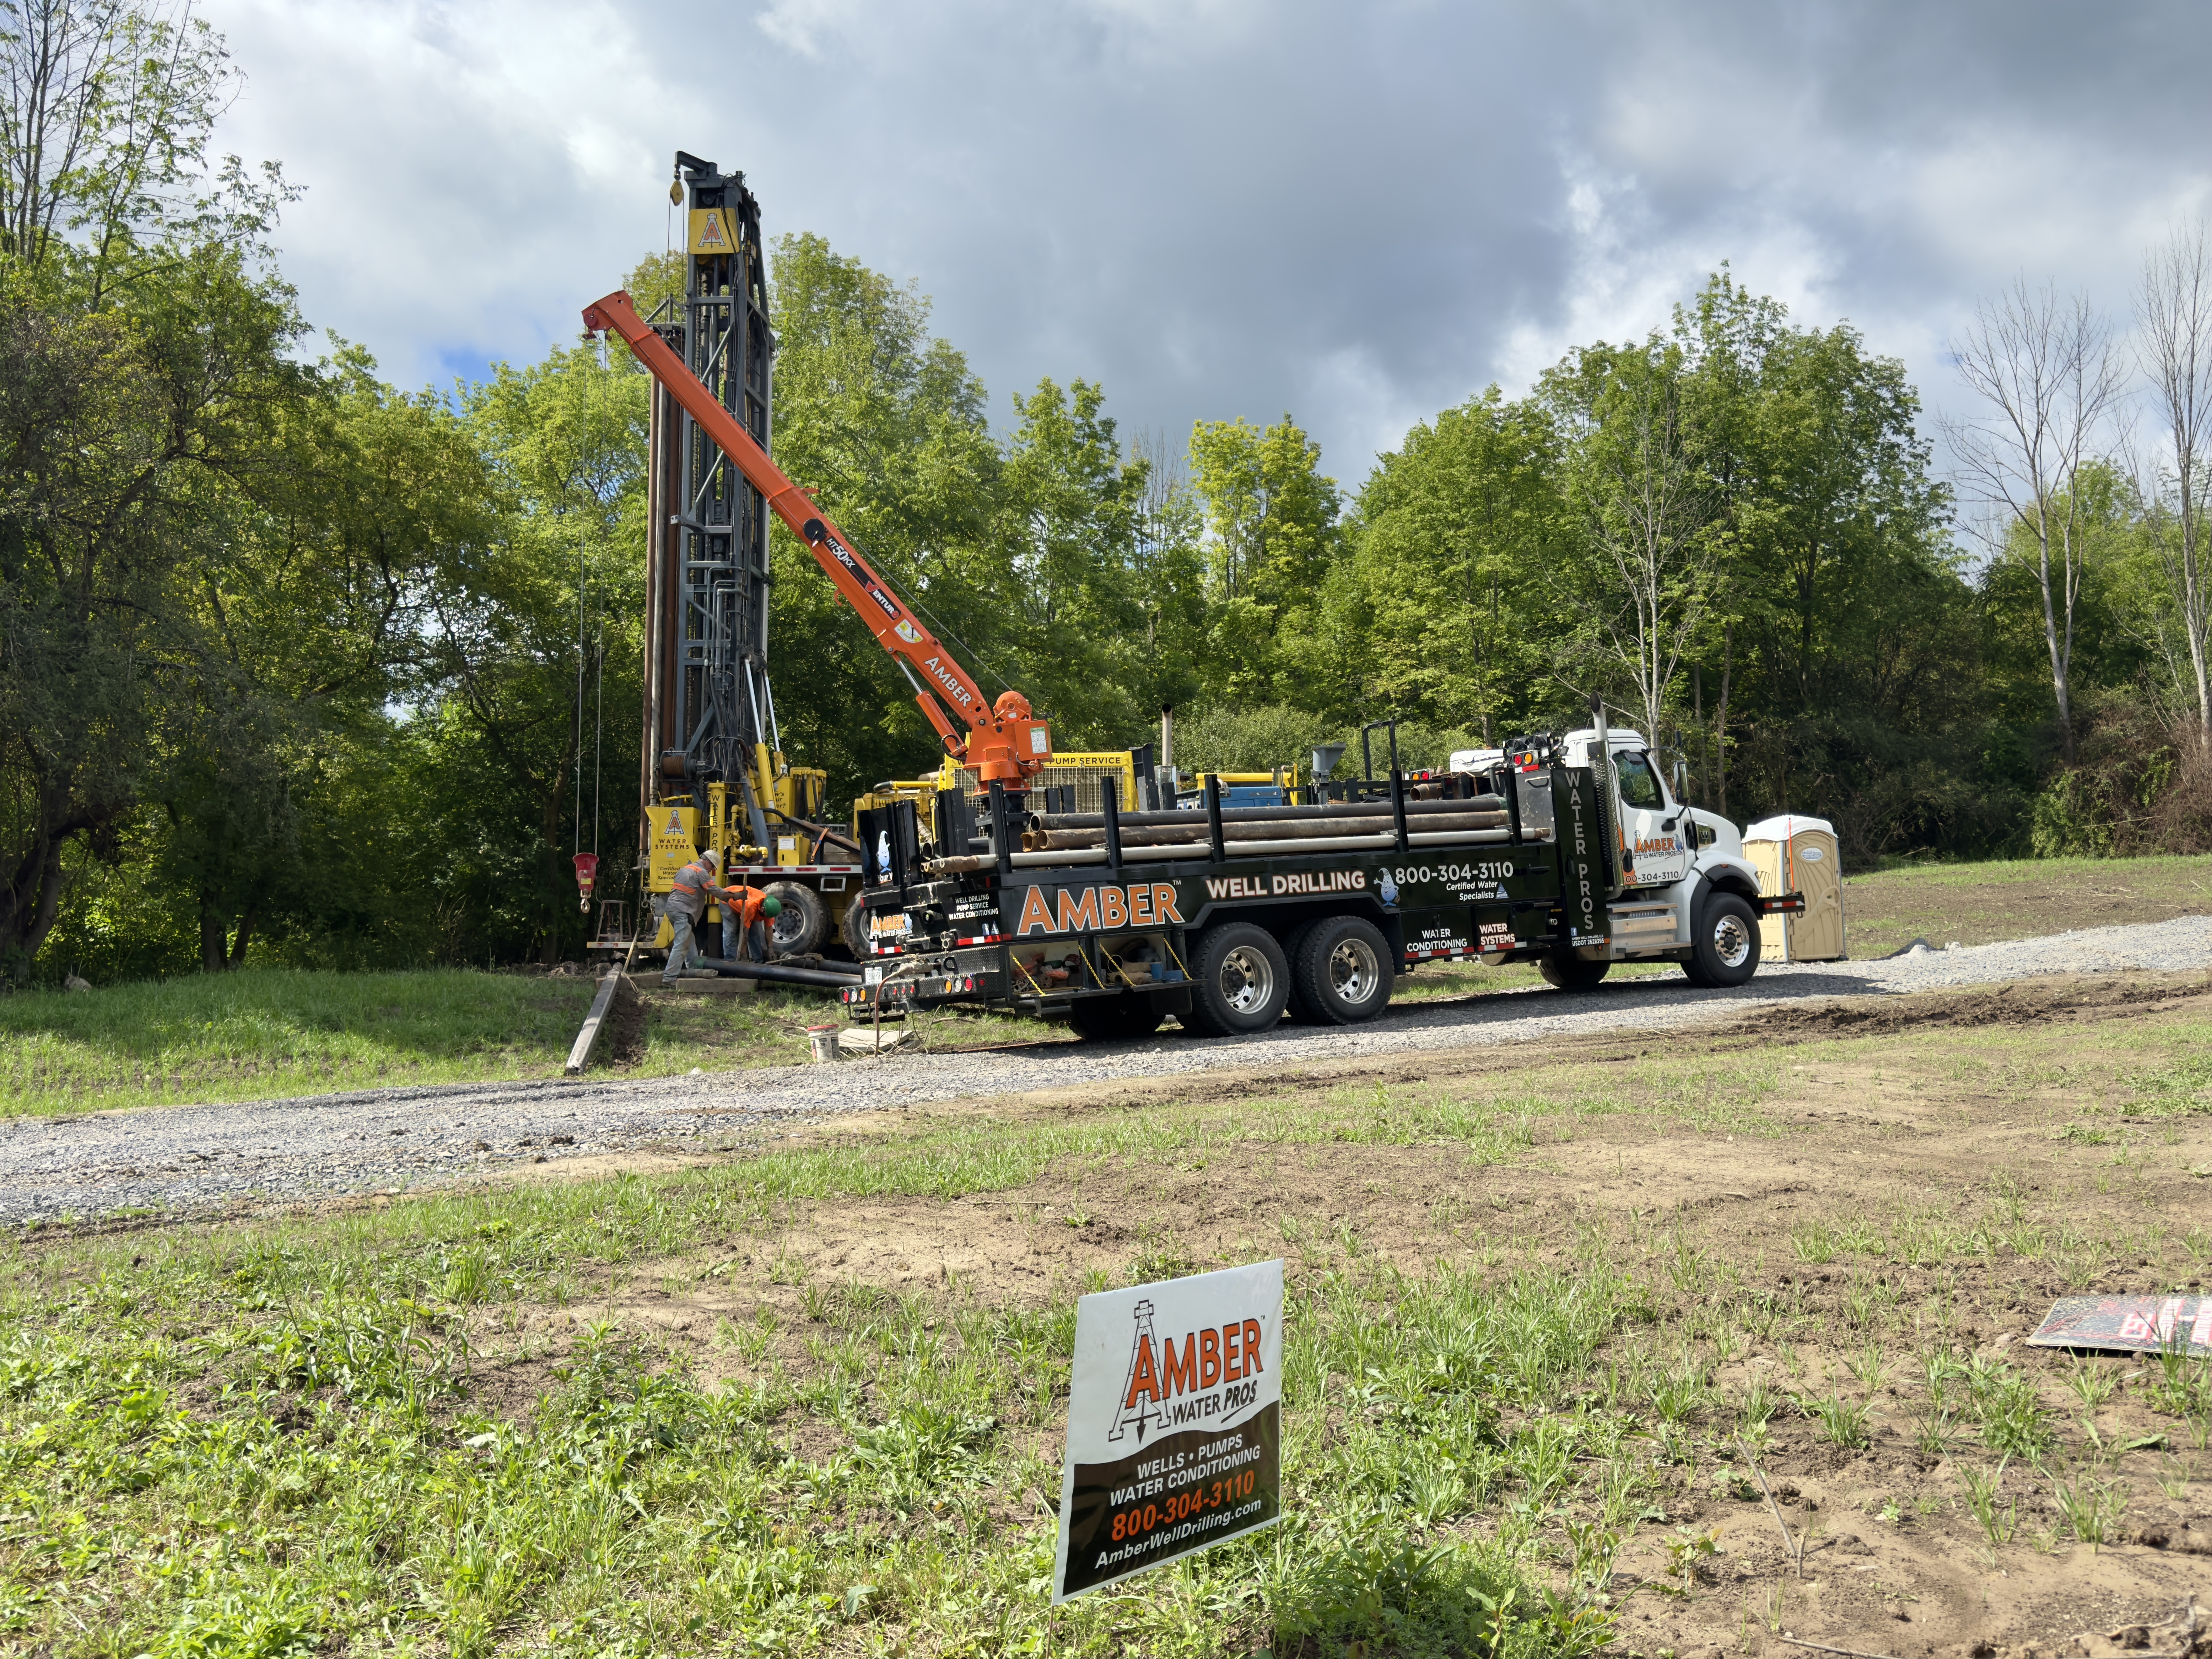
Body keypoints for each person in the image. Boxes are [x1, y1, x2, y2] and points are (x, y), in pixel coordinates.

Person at [662, 848, 721, 984]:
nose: (712, 870)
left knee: (689, 941)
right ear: (708, 863)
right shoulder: (702, 872)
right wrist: (732, 896)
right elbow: (713, 890)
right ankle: (669, 978)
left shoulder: (685, 869)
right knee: (681, 945)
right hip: (683, 911)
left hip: (672, 909)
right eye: (713, 867)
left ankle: (693, 971)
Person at [721, 882, 783, 963]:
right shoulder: (751, 907)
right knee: (731, 931)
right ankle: (730, 961)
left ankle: (758, 961)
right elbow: (745, 934)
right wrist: (744, 956)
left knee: (755, 933)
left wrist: (770, 949)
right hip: (728, 901)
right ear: (762, 910)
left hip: (745, 905)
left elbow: (769, 929)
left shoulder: (769, 908)